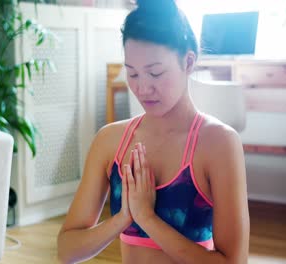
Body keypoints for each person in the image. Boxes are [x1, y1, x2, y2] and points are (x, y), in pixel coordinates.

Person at [57, 0, 250, 263]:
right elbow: (67, 250)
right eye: (133, 74)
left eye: (155, 73)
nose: (143, 88)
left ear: (188, 62)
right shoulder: (110, 141)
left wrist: (147, 218)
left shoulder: (218, 143)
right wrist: (123, 218)